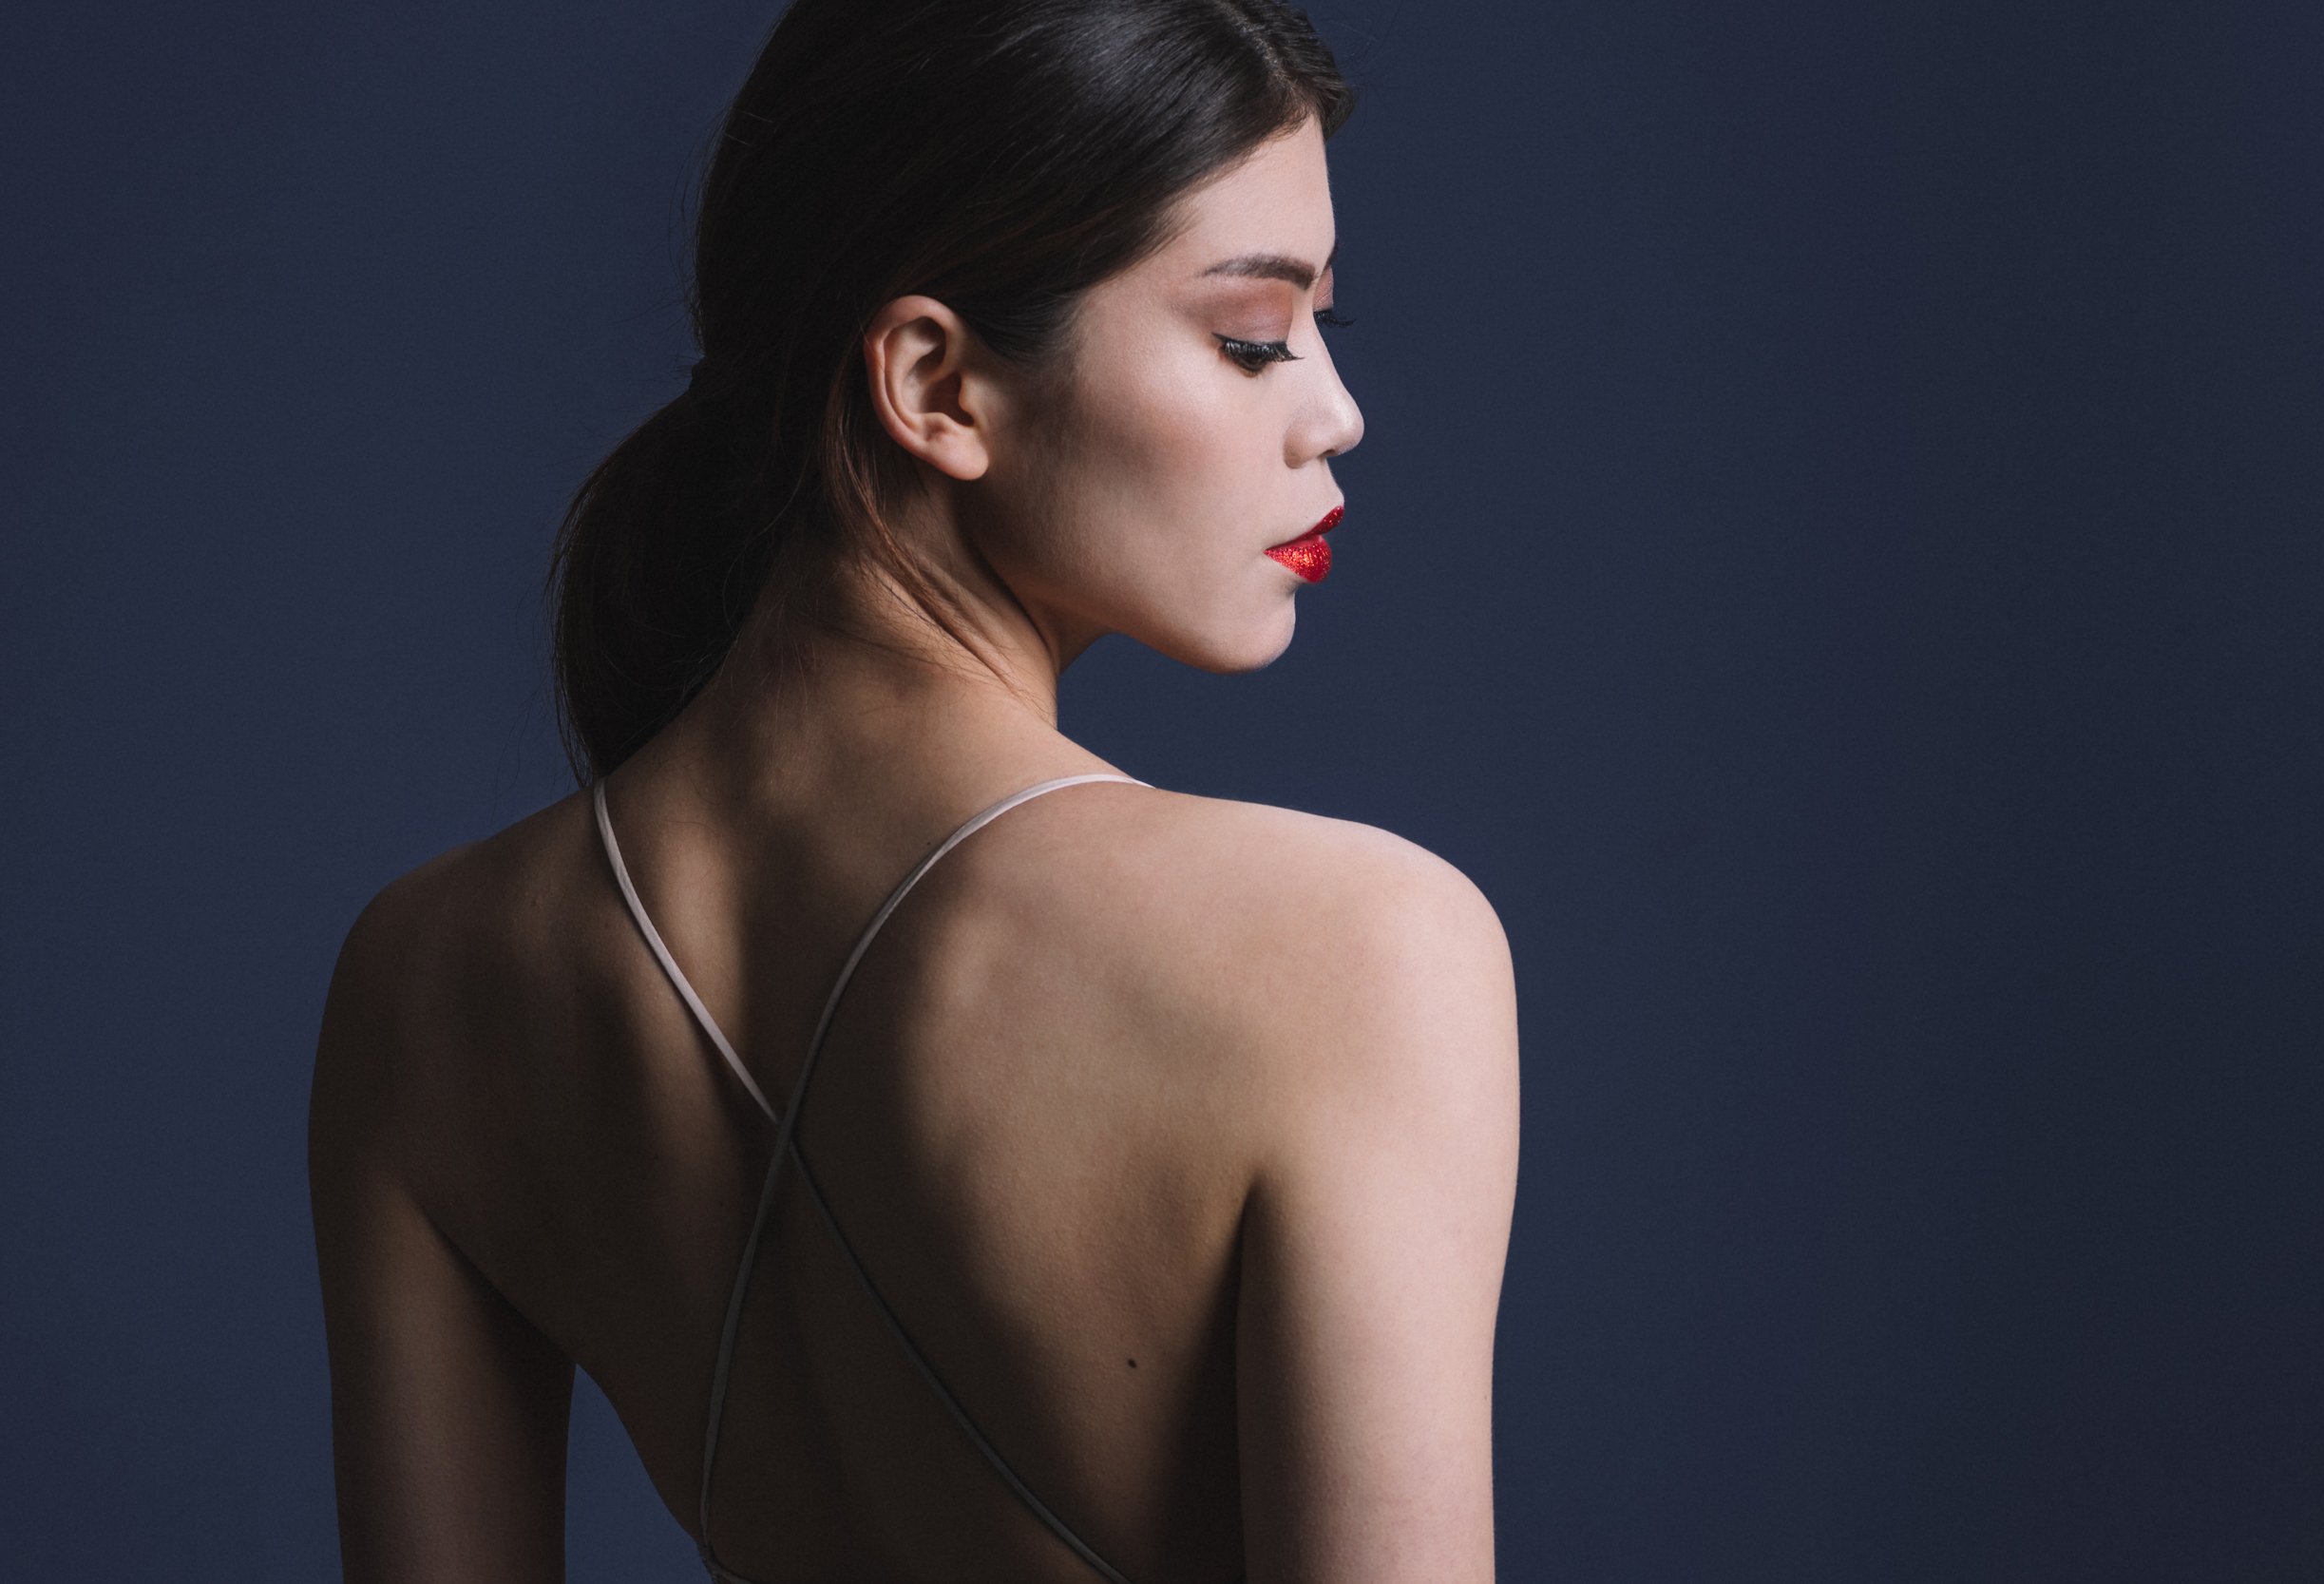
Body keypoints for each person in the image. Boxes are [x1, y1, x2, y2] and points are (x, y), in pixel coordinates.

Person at [307, 1, 1519, 1579]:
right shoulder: (1358, 951)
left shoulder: (423, 983)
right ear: (936, 383)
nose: (1335, 413)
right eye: (1252, 338)